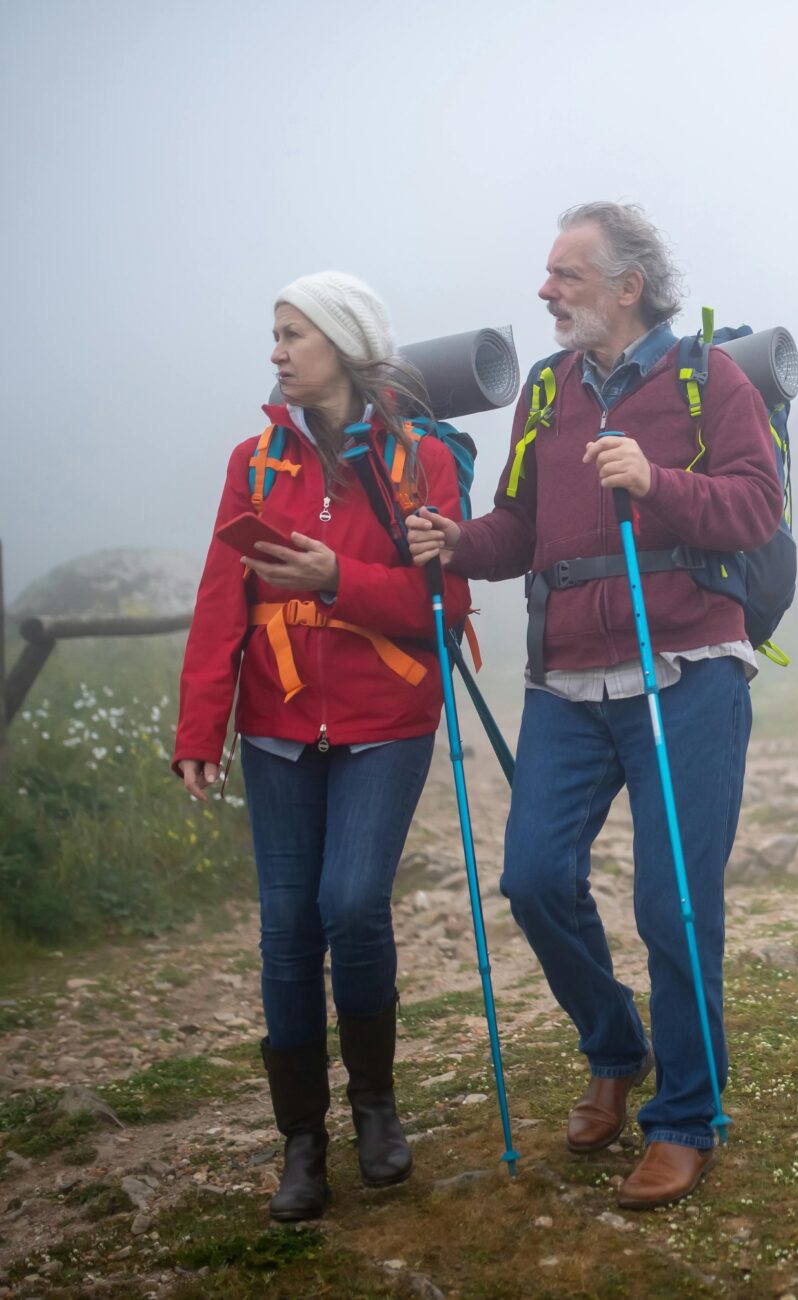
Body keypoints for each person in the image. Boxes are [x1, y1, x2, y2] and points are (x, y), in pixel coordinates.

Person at [407, 202, 783, 1210]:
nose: (545, 292)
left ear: (627, 285)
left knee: (672, 904)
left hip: (689, 671)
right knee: (532, 879)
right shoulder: (546, 390)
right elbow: (523, 526)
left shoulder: (710, 379)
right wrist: (456, 541)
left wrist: (655, 481)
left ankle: (686, 1117)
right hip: (568, 682)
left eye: (566, 275)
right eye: (546, 275)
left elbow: (755, 506)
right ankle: (615, 1047)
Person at [173, 271, 470, 1220]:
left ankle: (375, 1107)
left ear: (342, 344)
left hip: (387, 719)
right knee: (286, 930)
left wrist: (342, 576)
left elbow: (446, 608)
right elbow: (224, 598)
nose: (277, 351)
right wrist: (199, 727)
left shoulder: (421, 461)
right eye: (276, 334)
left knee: (350, 904)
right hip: (276, 725)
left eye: (293, 333)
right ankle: (301, 1141)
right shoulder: (253, 462)